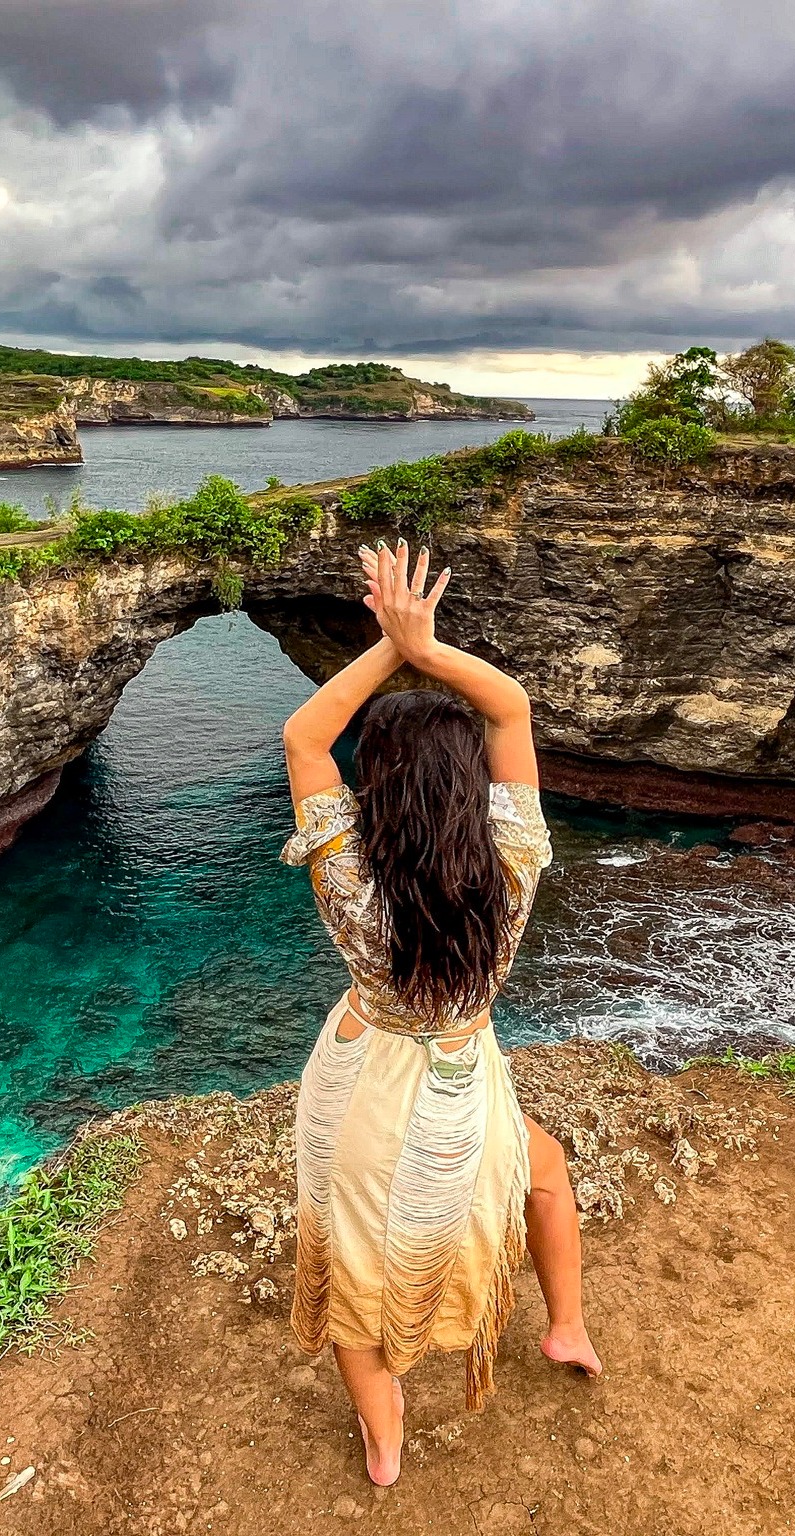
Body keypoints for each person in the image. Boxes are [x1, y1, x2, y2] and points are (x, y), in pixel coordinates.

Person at [280, 536, 601, 1486]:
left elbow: (304, 738)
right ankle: (567, 1324)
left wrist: (386, 643)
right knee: (541, 1174)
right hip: (462, 1072)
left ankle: (384, 1444)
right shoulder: (511, 859)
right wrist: (424, 644)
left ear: (371, 782)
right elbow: (510, 707)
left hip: (362, 1075)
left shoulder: (343, 864)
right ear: (471, 784)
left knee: (352, 1274)